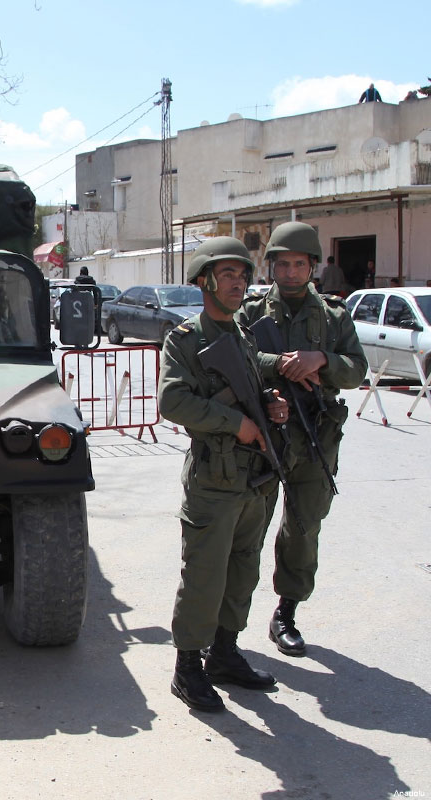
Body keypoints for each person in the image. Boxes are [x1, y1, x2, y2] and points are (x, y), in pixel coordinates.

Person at [159, 236, 288, 713]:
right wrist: (237, 422)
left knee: (243, 569)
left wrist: (271, 404)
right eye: (228, 275)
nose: (239, 283)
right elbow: (173, 401)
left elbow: (254, 385)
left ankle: (225, 653)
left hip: (254, 476)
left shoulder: (242, 334)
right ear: (203, 281)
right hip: (215, 478)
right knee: (205, 576)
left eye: (243, 274)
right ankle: (188, 667)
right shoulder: (186, 339)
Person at [236, 221, 367, 658]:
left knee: (304, 527)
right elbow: (233, 356)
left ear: (313, 266)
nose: (290, 273)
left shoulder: (333, 316)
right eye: (282, 264)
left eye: (298, 264)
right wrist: (280, 364)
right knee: (246, 531)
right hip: (264, 437)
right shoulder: (252, 313)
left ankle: (286, 613)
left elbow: (355, 369)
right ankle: (228, 625)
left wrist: (320, 359)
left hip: (316, 437)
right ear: (270, 266)